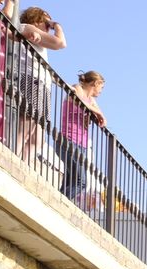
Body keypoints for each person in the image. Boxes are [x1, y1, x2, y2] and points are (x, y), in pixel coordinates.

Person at [12, 7, 66, 179]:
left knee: (38, 138)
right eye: (46, 21)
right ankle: (13, 159)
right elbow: (60, 43)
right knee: (26, 126)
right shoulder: (27, 27)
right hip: (31, 80)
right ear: (36, 19)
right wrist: (57, 26)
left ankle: (23, 165)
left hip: (41, 83)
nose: (48, 26)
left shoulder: (35, 36)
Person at [59, 70, 105, 207]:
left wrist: (98, 113)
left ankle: (59, 202)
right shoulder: (77, 88)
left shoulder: (92, 100)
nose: (101, 92)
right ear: (95, 83)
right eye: (101, 87)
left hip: (82, 144)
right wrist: (96, 112)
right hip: (69, 139)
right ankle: (59, 203)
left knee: (70, 180)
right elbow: (81, 102)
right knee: (81, 181)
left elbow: (104, 120)